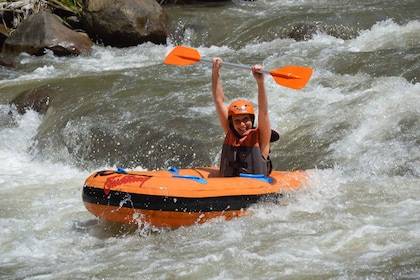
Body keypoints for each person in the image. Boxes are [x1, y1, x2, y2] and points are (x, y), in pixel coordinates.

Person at [211, 57, 275, 177]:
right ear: (232, 122)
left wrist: (260, 82)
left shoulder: (262, 137)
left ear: (252, 119)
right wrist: (215, 72)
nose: (242, 125)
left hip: (255, 191)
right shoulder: (231, 132)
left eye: (246, 120)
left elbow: (263, 110)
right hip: (228, 189)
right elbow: (219, 101)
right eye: (237, 121)